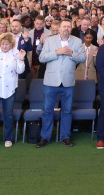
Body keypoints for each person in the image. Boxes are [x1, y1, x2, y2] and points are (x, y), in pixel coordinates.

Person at [35, 19, 85, 147]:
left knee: (67, 111)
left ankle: (65, 137)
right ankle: (45, 137)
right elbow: (42, 58)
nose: (66, 28)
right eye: (64, 26)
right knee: (47, 110)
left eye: (68, 26)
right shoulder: (50, 40)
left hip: (68, 81)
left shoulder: (77, 41)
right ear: (59, 28)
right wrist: (56, 53)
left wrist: (72, 53)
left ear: (71, 28)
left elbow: (83, 58)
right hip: (51, 81)